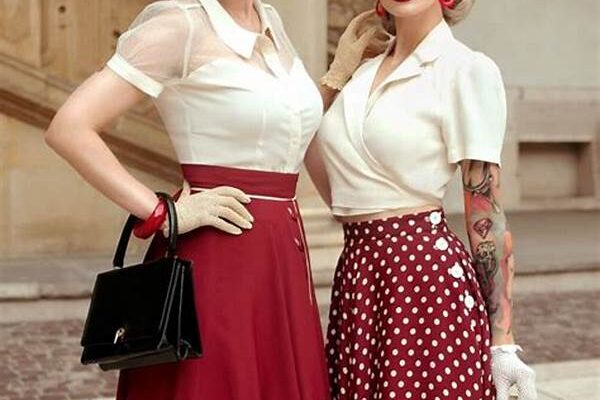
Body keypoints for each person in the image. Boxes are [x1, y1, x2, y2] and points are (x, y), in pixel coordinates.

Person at [43, 0, 379, 398]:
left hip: (280, 255)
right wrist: (160, 212)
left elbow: (281, 127)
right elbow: (70, 127)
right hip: (217, 253)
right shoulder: (179, 26)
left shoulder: (269, 19)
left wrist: (337, 75)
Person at [306, 0, 538, 399]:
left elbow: (486, 212)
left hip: (427, 281)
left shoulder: (466, 69)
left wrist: (502, 340)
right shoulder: (357, 75)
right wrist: (335, 76)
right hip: (359, 276)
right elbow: (299, 142)